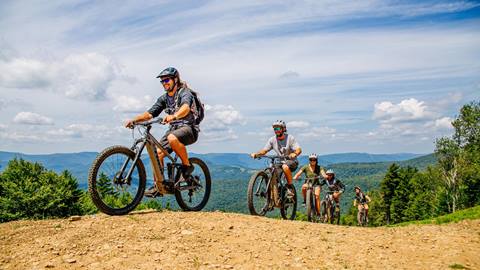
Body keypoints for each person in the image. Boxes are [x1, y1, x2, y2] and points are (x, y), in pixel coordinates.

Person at [125, 67, 199, 197]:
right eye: (162, 81)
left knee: (171, 138)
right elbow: (149, 114)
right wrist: (134, 120)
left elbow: (186, 108)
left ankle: (187, 167)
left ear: (175, 79)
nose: (164, 83)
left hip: (189, 129)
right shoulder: (164, 99)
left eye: (167, 80)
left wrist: (175, 116)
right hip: (174, 130)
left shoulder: (184, 93)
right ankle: (159, 187)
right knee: (157, 154)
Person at [250, 120, 302, 194]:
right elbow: (264, 151)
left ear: (283, 129)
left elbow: (298, 149)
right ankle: (274, 195)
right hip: (280, 162)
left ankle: (290, 187)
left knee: (285, 166)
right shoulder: (272, 140)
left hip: (292, 161)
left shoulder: (290, 138)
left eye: (278, 129)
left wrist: (294, 154)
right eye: (275, 129)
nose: (276, 131)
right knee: (272, 175)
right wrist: (256, 154)